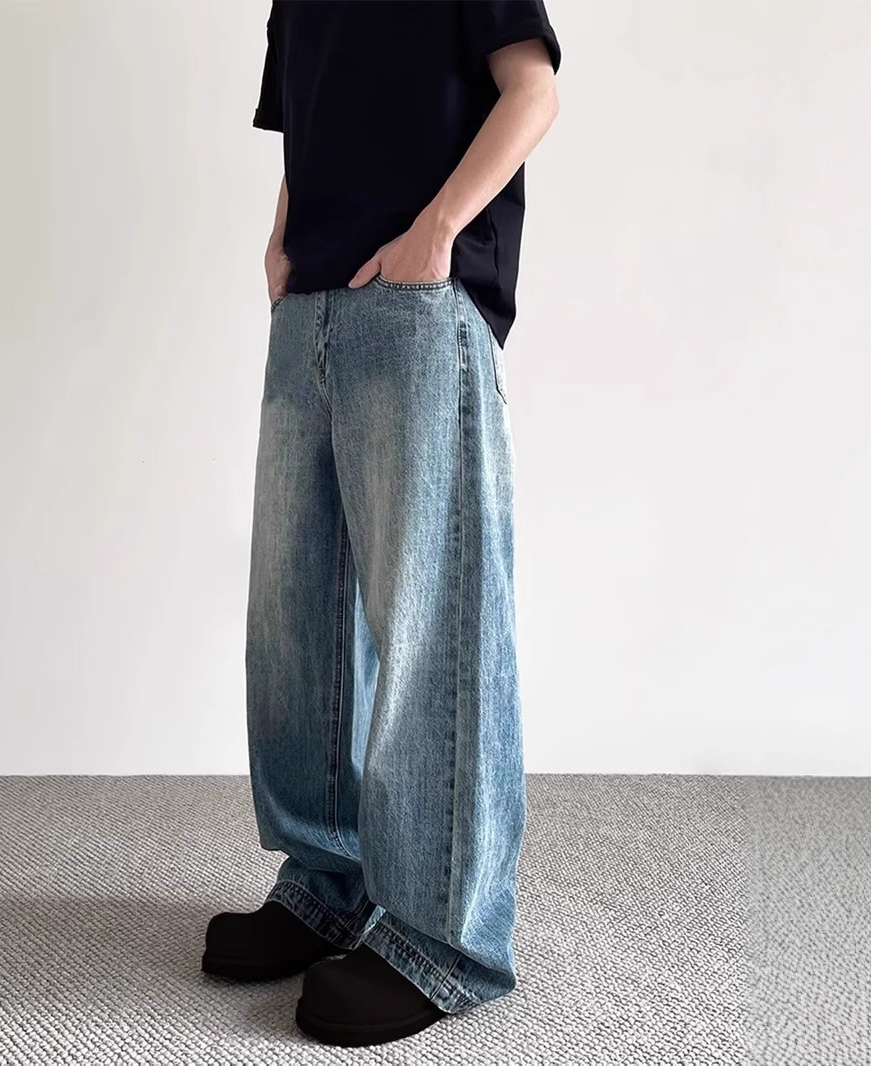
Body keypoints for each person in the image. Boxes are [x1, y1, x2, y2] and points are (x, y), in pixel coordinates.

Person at [202, 0, 561, 1048]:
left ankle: (446, 939)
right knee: (294, 621)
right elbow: (309, 131)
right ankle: (325, 881)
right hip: (308, 306)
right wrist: (280, 245)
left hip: (417, 303)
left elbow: (532, 90)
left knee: (431, 626)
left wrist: (437, 232)